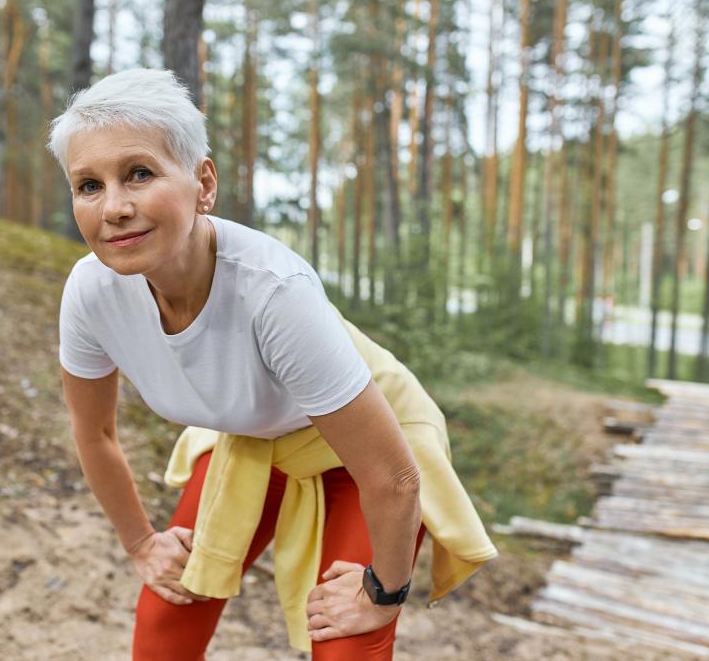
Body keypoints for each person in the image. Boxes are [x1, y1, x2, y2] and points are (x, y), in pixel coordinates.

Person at [49, 68, 498, 661]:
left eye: (139, 173)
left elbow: (393, 479)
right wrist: (140, 543)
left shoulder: (272, 291)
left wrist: (384, 594)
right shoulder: (91, 292)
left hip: (370, 454)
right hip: (257, 441)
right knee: (167, 612)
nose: (115, 208)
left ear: (203, 182)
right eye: (88, 185)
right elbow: (95, 433)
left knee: (347, 640)